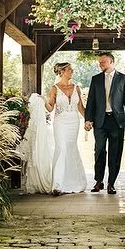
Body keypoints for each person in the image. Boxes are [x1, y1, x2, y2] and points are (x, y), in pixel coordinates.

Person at [84, 52, 125, 195]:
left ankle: (111, 183)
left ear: (112, 62)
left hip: (117, 122)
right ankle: (98, 181)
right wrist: (88, 119)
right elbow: (91, 101)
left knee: (115, 153)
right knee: (99, 151)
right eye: (100, 62)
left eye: (104, 62)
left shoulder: (123, 79)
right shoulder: (95, 79)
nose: (101, 65)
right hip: (100, 121)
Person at [44, 61, 88, 195]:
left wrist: (89, 119)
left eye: (71, 69)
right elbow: (51, 108)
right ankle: (57, 185)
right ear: (62, 71)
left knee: (71, 148)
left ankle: (74, 182)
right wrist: (42, 101)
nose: (72, 71)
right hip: (60, 122)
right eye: (69, 69)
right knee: (61, 148)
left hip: (74, 122)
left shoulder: (77, 88)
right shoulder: (54, 88)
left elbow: (80, 107)